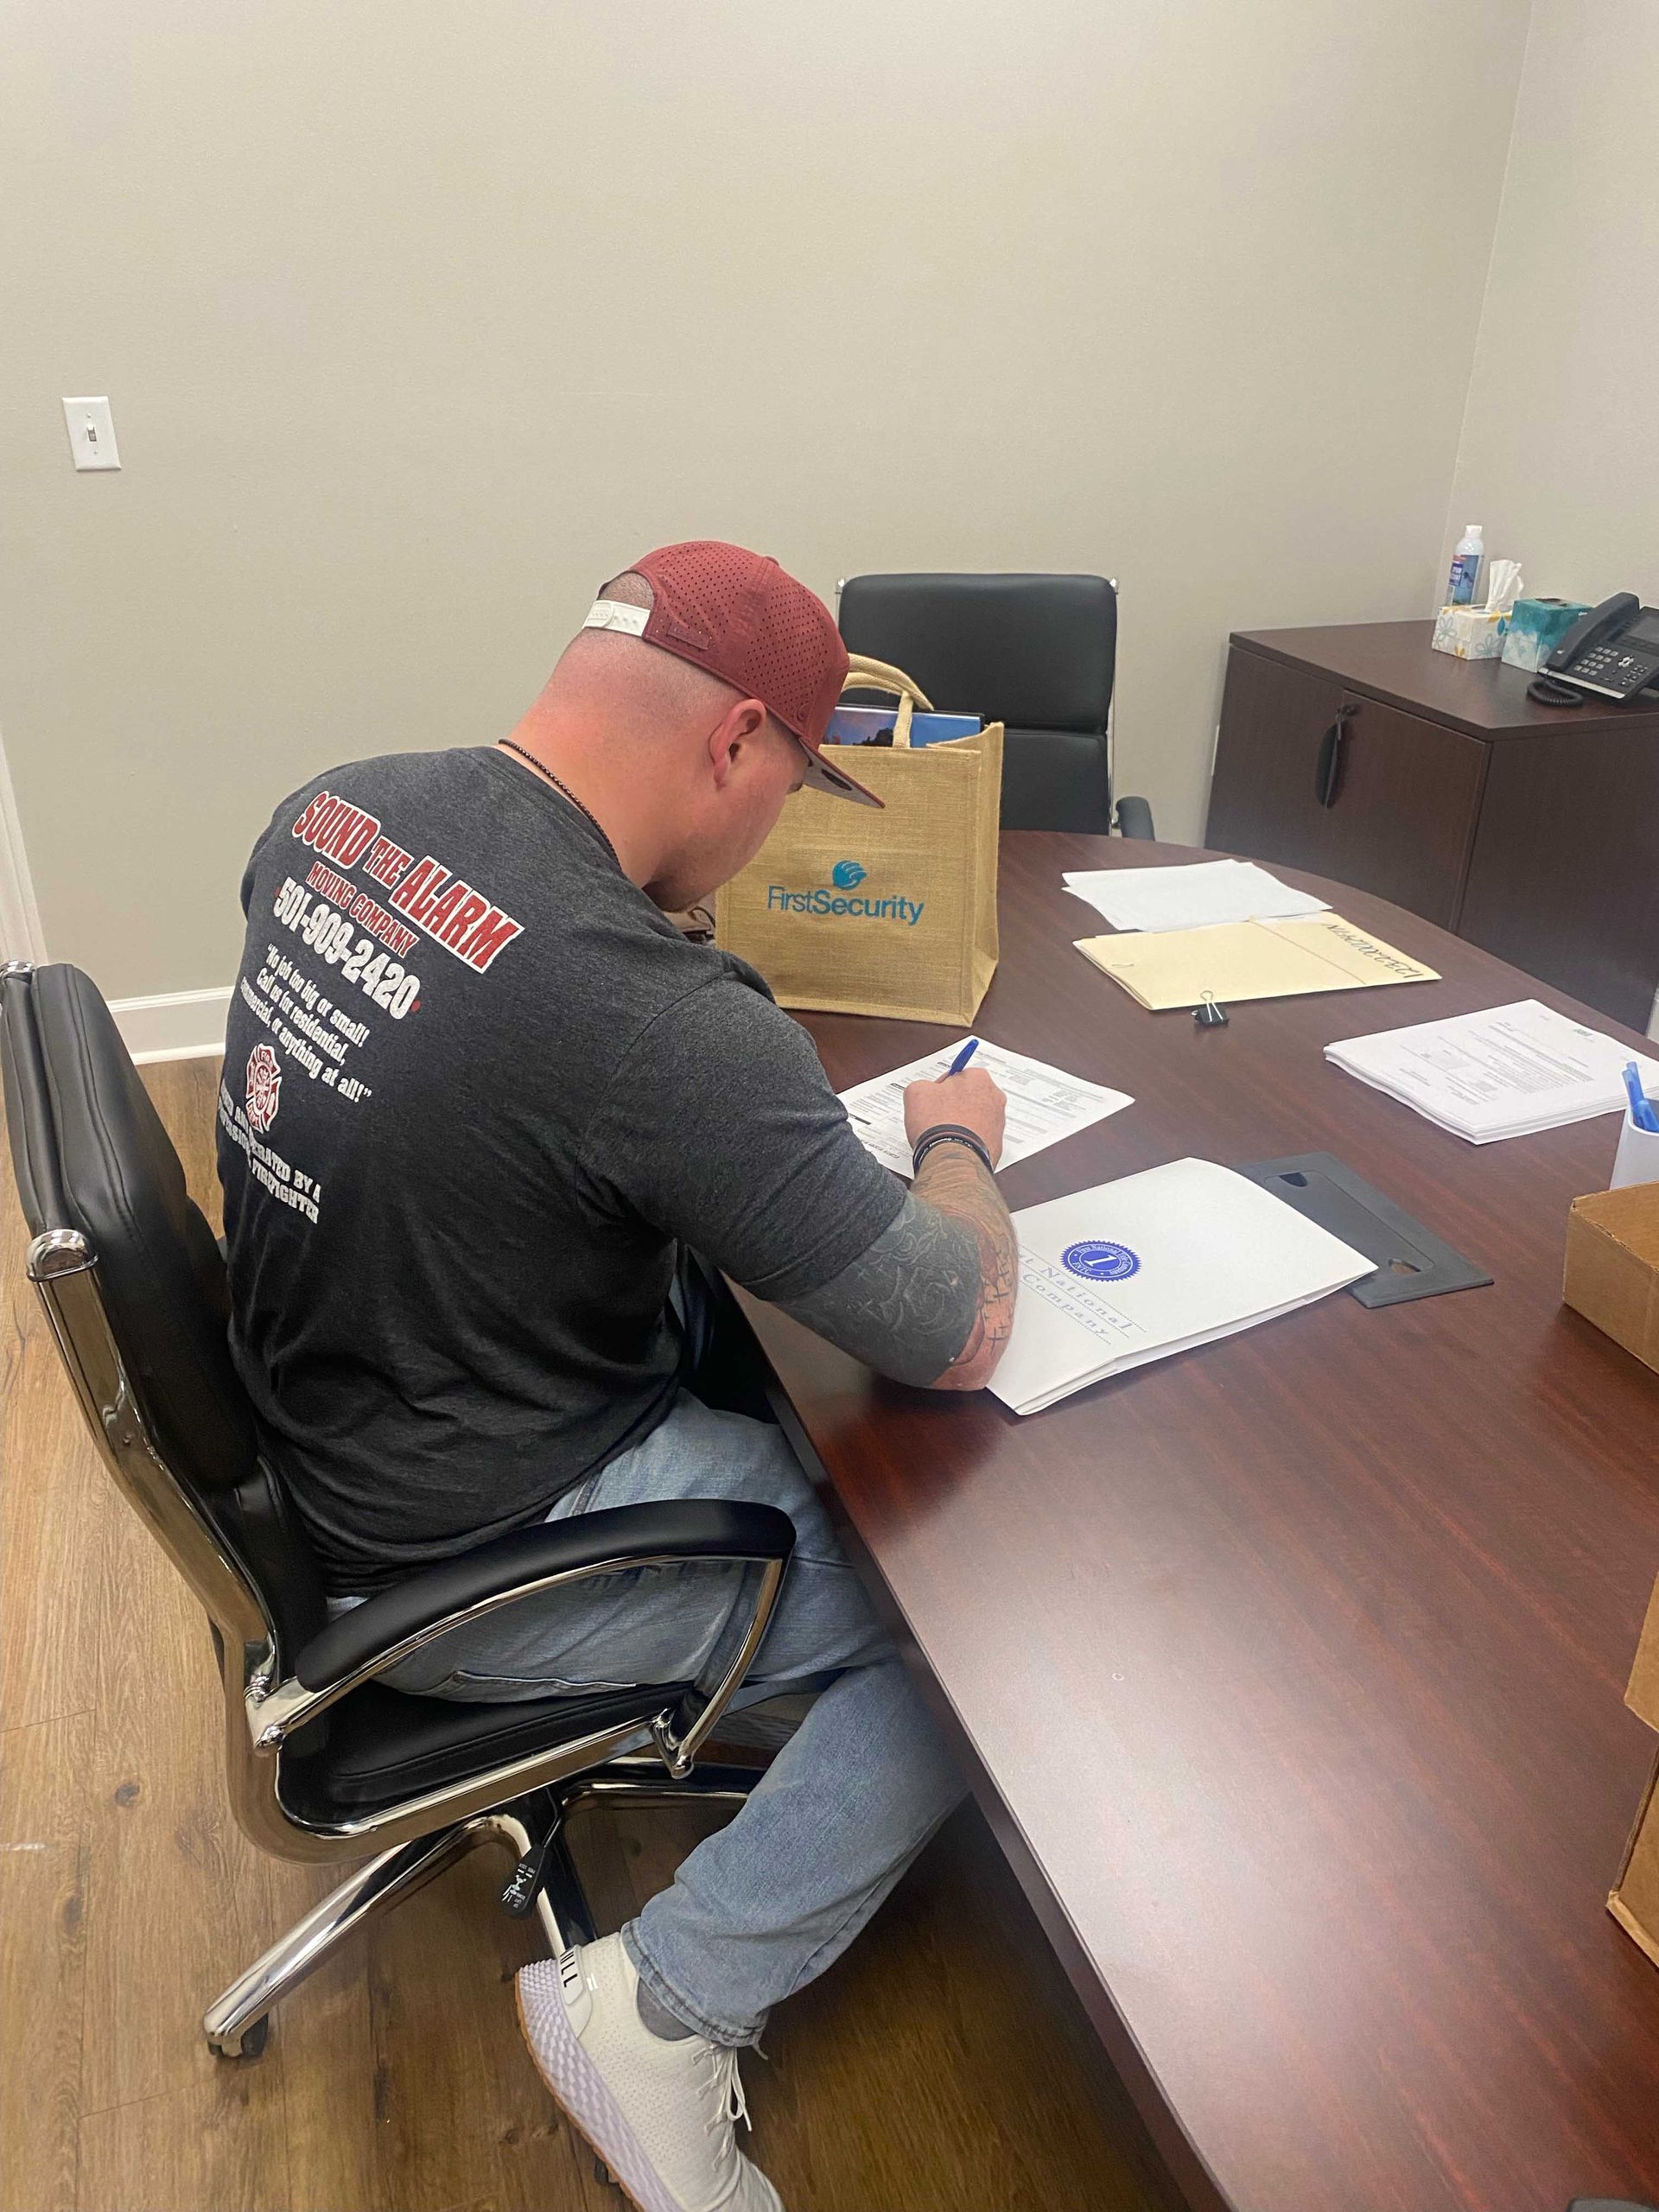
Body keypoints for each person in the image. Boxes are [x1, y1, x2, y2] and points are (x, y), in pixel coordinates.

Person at [218, 541, 1017, 2212]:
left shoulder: (336, 811)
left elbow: (487, 1061)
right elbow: (957, 1323)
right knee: (996, 1623)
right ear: (737, 740)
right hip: (474, 1545)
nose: (779, 827)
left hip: (327, 1419)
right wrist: (954, 1148)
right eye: (792, 786)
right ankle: (662, 2004)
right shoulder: (645, 1019)